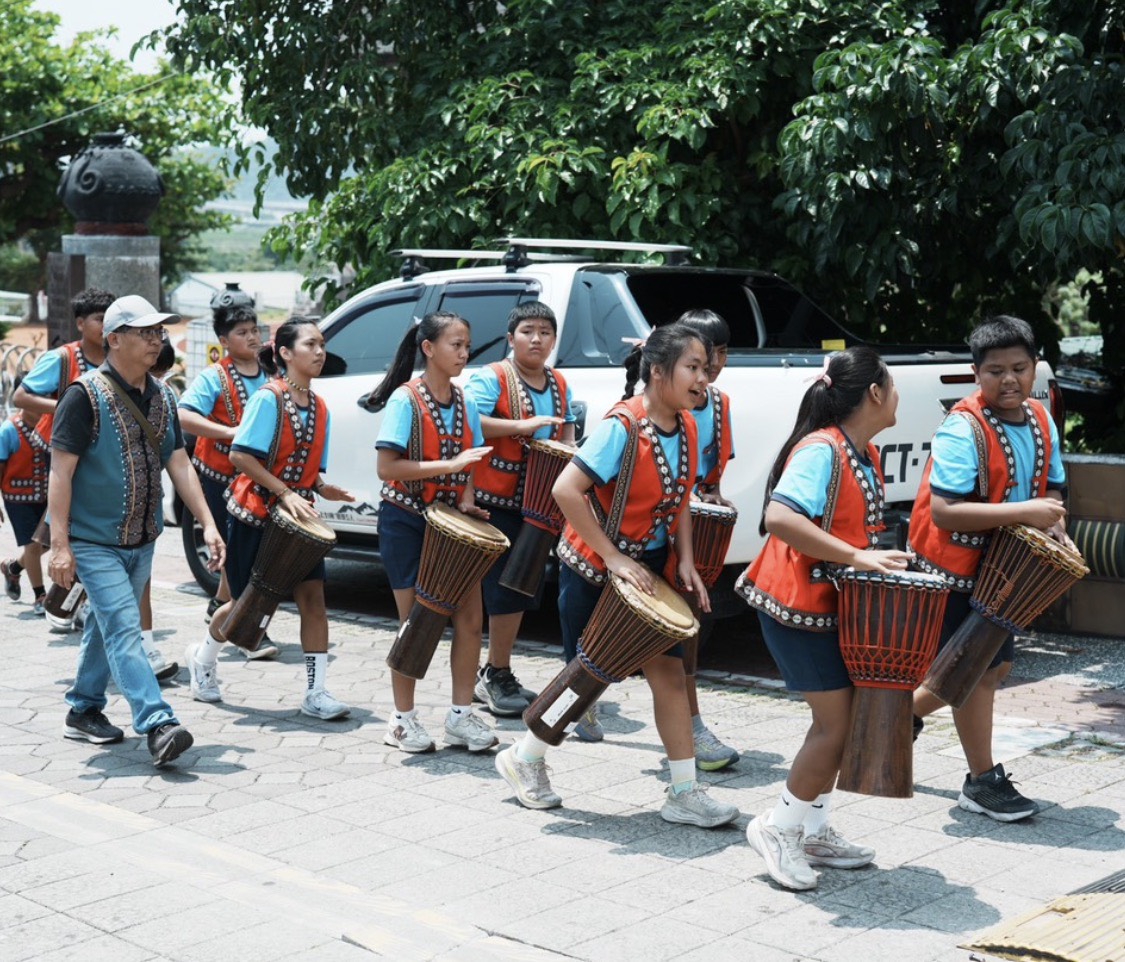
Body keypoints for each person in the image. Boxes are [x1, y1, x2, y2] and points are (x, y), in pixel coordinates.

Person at [495, 323, 740, 829]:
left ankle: (684, 791)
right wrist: (613, 559)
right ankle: (525, 756)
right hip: (594, 569)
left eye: (704, 368)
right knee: (586, 679)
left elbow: (682, 503)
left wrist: (688, 559)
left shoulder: (689, 425)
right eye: (692, 367)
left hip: (645, 571)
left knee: (670, 675)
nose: (703, 378)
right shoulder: (621, 427)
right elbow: (567, 490)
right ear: (657, 371)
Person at [737, 346, 909, 890]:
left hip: (824, 607)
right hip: (795, 608)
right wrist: (858, 557)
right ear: (875, 393)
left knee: (844, 721)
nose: (897, 393)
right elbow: (779, 518)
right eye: (893, 383)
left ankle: (812, 826)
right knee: (835, 728)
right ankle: (778, 827)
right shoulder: (822, 450)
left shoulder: (861, 452)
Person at [47, 295, 225, 767]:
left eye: (159, 332)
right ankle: (158, 722)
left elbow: (180, 462)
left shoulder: (164, 395)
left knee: (107, 630)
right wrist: (60, 546)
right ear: (114, 339)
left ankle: (83, 709)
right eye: (145, 332)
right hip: (94, 542)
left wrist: (207, 523)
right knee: (125, 627)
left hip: (143, 539)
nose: (156, 340)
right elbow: (60, 473)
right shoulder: (82, 396)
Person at [910, 315, 1067, 822]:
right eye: (995, 370)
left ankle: (897, 718)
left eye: (1020, 368)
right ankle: (981, 781)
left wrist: (1054, 521)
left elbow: (1053, 487)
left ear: (1036, 366)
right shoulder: (962, 427)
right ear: (975, 373)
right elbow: (946, 511)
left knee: (992, 666)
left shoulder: (1041, 418)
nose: (1009, 380)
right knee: (975, 671)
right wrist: (1028, 513)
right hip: (953, 567)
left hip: (1003, 573)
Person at [185, 318, 355, 720]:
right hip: (255, 514)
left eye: (322, 344)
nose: (319, 352)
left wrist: (322, 488)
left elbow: (306, 468)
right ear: (283, 353)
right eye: (310, 344)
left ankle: (316, 692)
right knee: (248, 605)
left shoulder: (320, 407)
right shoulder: (268, 397)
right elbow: (240, 455)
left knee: (314, 600)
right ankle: (204, 657)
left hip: (298, 520)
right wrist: (285, 492)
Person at [371, 311, 499, 754]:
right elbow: (387, 468)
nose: (464, 354)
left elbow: (471, 461)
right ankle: (402, 720)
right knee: (416, 625)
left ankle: (460, 716)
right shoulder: (405, 400)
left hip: (450, 528)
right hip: (406, 521)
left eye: (467, 345)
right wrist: (450, 468)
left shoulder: (465, 402)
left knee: (469, 620)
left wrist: (466, 498)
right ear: (428, 348)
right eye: (455, 345)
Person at [463, 301, 576, 717]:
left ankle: (496, 672)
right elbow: (468, 418)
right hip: (494, 502)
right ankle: (493, 674)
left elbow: (564, 434)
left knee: (519, 589)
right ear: (511, 339)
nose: (537, 339)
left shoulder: (560, 383)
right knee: (501, 591)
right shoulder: (493, 376)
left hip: (539, 504)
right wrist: (520, 427)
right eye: (528, 331)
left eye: (545, 332)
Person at [177, 303, 275, 659]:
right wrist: (228, 431)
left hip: (257, 480)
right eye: (241, 332)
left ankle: (219, 606)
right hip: (220, 480)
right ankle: (247, 632)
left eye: (254, 330)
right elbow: (184, 415)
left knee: (247, 553)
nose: (251, 337)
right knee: (239, 555)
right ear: (224, 340)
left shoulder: (271, 373)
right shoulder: (213, 377)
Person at [673, 309, 740, 771]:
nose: (707, 364)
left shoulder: (720, 404)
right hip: (658, 528)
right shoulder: (663, 399)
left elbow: (715, 469)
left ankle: (688, 727)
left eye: (714, 353)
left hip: (692, 526)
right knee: (672, 632)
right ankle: (689, 727)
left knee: (687, 628)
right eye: (697, 355)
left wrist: (712, 497)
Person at [137, 340, 180, 682]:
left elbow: (175, 454)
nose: (158, 378)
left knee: (143, 582)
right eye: (154, 370)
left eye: (163, 372)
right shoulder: (95, 391)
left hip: (146, 508)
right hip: (100, 521)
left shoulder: (164, 397)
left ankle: (146, 648)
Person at [14, 288, 114, 426]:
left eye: (110, 320)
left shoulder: (120, 359)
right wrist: (68, 407)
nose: (106, 326)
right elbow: (20, 397)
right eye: (100, 319)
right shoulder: (61, 358)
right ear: (80, 323)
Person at [0, 376, 50, 614]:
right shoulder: (9, 430)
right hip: (17, 499)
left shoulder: (48, 426)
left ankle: (13, 567)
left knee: (49, 542)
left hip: (46, 498)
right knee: (32, 545)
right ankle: (41, 595)